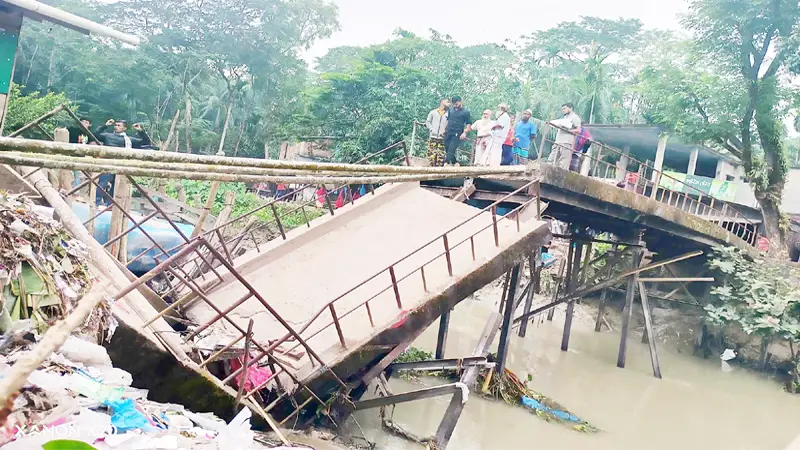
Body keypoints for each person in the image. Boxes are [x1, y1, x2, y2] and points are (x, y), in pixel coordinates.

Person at [93, 119, 151, 205]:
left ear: (124, 128)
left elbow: (146, 142)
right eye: (115, 125)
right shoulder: (107, 136)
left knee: (117, 185)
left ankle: (110, 204)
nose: (116, 127)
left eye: (119, 125)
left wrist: (141, 131)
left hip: (121, 164)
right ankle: (96, 202)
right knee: (102, 183)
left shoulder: (129, 140)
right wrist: (105, 126)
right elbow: (94, 135)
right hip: (108, 163)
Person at [547, 103, 582, 170]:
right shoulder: (565, 118)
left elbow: (578, 130)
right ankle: (548, 170)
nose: (563, 110)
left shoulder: (575, 117)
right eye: (562, 109)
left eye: (564, 108)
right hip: (558, 141)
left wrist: (569, 130)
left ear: (571, 108)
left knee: (564, 160)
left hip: (567, 142)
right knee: (552, 157)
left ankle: (561, 174)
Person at [443, 96, 472, 166]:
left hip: (457, 132)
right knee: (447, 148)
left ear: (460, 101)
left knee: (451, 148)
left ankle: (445, 163)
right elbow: (448, 120)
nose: (455, 105)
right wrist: (444, 129)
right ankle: (455, 162)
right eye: (454, 104)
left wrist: (465, 133)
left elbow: (469, 123)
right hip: (448, 131)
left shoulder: (466, 112)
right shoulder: (451, 110)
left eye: (456, 104)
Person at [424, 98, 449, 167]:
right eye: (446, 101)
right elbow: (427, 122)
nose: (448, 103)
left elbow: (449, 124)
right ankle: (429, 171)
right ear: (441, 101)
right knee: (431, 155)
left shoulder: (448, 114)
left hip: (442, 138)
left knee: (440, 157)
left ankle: (438, 173)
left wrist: (445, 131)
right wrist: (432, 130)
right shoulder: (433, 112)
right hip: (433, 137)